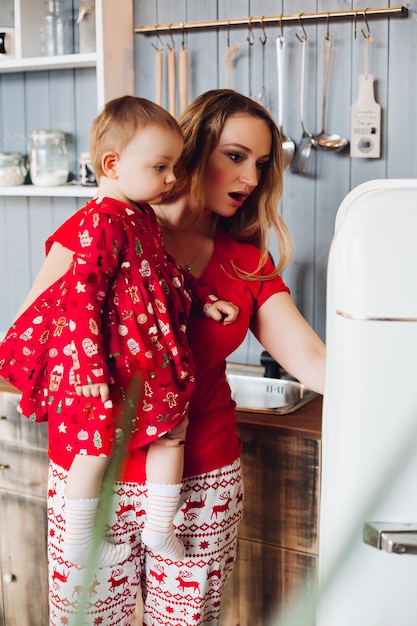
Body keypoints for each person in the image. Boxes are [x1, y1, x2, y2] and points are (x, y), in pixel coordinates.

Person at [2, 89, 326, 626]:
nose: (250, 178)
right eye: (236, 156)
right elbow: (37, 330)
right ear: (191, 150)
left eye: (262, 164)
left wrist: (390, 388)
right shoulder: (100, 228)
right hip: (90, 481)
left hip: (201, 484)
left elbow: (310, 359)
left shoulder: (246, 260)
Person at [0, 95, 239, 574]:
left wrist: (202, 298)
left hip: (147, 358)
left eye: (173, 167)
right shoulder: (101, 221)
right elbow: (81, 296)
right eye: (161, 166)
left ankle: (158, 527)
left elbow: (166, 270)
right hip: (106, 363)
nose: (172, 178)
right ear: (113, 164)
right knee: (95, 447)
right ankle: (77, 541)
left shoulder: (142, 216)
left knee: (171, 433)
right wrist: (87, 366)